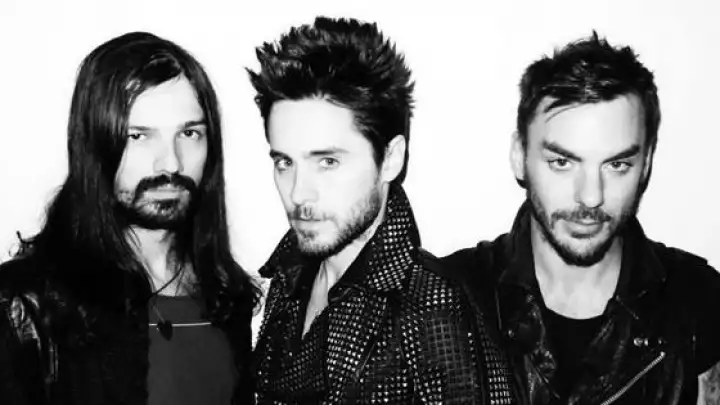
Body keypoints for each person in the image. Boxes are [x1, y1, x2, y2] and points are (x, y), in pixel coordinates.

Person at [247, 16, 514, 404]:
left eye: (328, 162)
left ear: (390, 159)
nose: (299, 192)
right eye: (285, 162)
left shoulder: (432, 307)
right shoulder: (287, 278)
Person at [442, 32, 720, 404]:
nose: (591, 196)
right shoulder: (446, 299)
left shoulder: (698, 300)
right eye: (562, 162)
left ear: (646, 165)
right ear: (519, 156)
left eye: (617, 165)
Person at [0, 32, 259, 404]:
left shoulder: (227, 299)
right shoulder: (27, 305)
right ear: (95, 145)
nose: (171, 163)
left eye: (189, 133)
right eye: (139, 136)